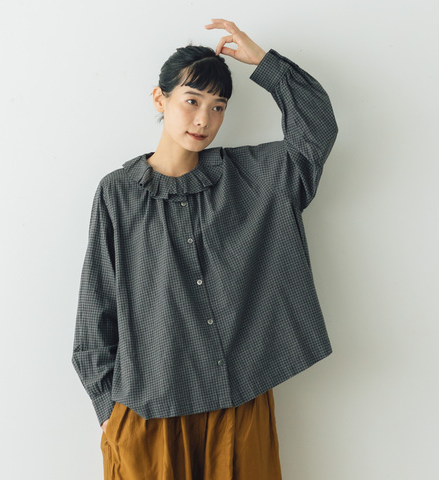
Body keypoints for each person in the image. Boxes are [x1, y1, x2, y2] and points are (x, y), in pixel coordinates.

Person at [72, 18, 338, 480]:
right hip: (149, 411)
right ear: (160, 99)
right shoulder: (118, 192)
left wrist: (265, 64)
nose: (203, 119)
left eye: (218, 107)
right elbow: (97, 303)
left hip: (238, 401)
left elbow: (315, 134)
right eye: (192, 101)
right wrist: (107, 410)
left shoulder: (253, 177)